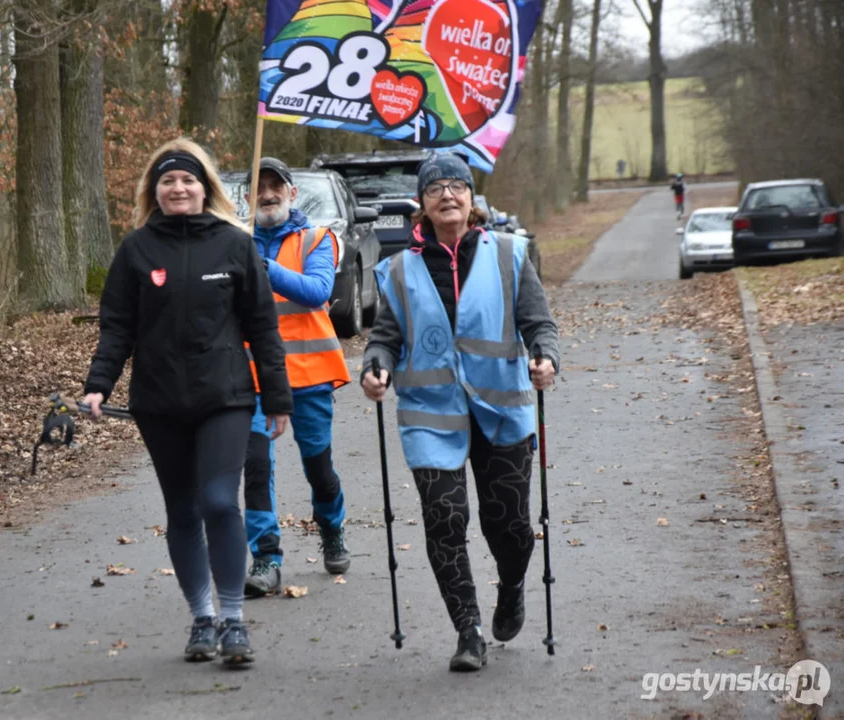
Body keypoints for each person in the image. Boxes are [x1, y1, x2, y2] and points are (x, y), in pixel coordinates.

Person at [82, 139, 293, 666]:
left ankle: (233, 621)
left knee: (220, 502)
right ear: (155, 192)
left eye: (189, 180)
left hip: (225, 396)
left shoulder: (234, 244)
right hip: (159, 402)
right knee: (182, 509)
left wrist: (278, 396)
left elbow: (263, 328)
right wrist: (98, 384)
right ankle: (202, 618)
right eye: (168, 181)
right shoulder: (136, 249)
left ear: (206, 189)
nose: (179, 188)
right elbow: (117, 328)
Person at [361, 153, 559, 672]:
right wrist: (376, 367)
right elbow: (385, 336)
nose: (447, 194)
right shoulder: (400, 269)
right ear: (421, 206)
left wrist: (545, 357)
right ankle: (468, 631)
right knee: (445, 520)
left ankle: (512, 585)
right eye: (435, 189)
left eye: (456, 186)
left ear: (472, 200)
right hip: (432, 416)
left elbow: (539, 324)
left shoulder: (510, 256)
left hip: (502, 412)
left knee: (512, 529)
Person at [240, 157, 352, 598]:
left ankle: (331, 526)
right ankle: (266, 555)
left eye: (275, 186)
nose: (266, 194)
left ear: (291, 193)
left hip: (310, 376)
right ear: (248, 199)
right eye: (258, 188)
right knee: (255, 466)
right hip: (250, 379)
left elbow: (317, 292)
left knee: (318, 467)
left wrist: (264, 266)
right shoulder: (234, 244)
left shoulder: (317, 240)